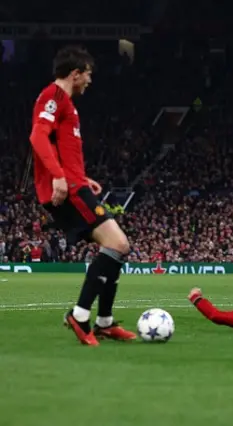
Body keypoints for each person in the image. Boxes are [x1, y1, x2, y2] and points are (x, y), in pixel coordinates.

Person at [29, 45, 135, 346]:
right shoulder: (54, 96)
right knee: (117, 243)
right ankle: (80, 315)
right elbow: (37, 135)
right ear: (75, 73)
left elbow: (58, 144)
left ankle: (103, 322)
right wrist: (61, 178)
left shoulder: (66, 102)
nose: (89, 80)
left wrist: (81, 177)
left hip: (76, 184)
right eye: (87, 74)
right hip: (68, 189)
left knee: (118, 247)